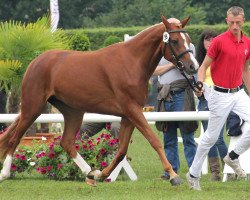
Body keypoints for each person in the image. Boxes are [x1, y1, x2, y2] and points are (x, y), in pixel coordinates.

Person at [186, 6, 250, 190]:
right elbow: (203, 67)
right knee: (210, 138)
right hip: (219, 95)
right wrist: (199, 84)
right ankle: (193, 174)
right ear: (226, 21)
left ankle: (232, 157)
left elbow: (245, 70)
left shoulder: (247, 42)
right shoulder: (219, 42)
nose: (235, 26)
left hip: (239, 93)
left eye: (238, 22)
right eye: (232, 22)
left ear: (243, 21)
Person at [155, 18, 198, 180]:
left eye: (179, 26)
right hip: (165, 95)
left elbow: (193, 68)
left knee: (188, 134)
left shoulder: (189, 46)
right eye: (174, 26)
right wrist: (173, 64)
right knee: (168, 135)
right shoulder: (162, 47)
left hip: (182, 92)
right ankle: (171, 171)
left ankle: (194, 169)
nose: (177, 28)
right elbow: (155, 71)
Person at [196, 29, 228, 181]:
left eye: (213, 39)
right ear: (202, 42)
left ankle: (229, 169)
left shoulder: (222, 58)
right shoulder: (198, 60)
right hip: (203, 100)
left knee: (219, 138)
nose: (210, 42)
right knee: (209, 138)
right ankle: (215, 172)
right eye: (207, 39)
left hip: (219, 100)